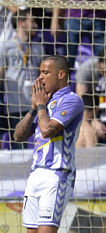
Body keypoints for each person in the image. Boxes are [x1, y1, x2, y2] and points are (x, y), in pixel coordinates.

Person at [11, 55, 103, 233]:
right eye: (39, 72)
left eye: (45, 72)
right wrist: (34, 107)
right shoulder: (44, 102)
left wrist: (42, 107)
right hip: (36, 174)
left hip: (57, 174)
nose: (40, 77)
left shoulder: (72, 100)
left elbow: (50, 129)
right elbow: (18, 135)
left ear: (61, 75)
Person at [0, 8, 43, 149]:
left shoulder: (38, 48)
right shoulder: (5, 47)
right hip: (16, 107)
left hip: (37, 105)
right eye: (32, 21)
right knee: (19, 152)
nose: (36, 25)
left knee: (41, 147)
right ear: (21, 23)